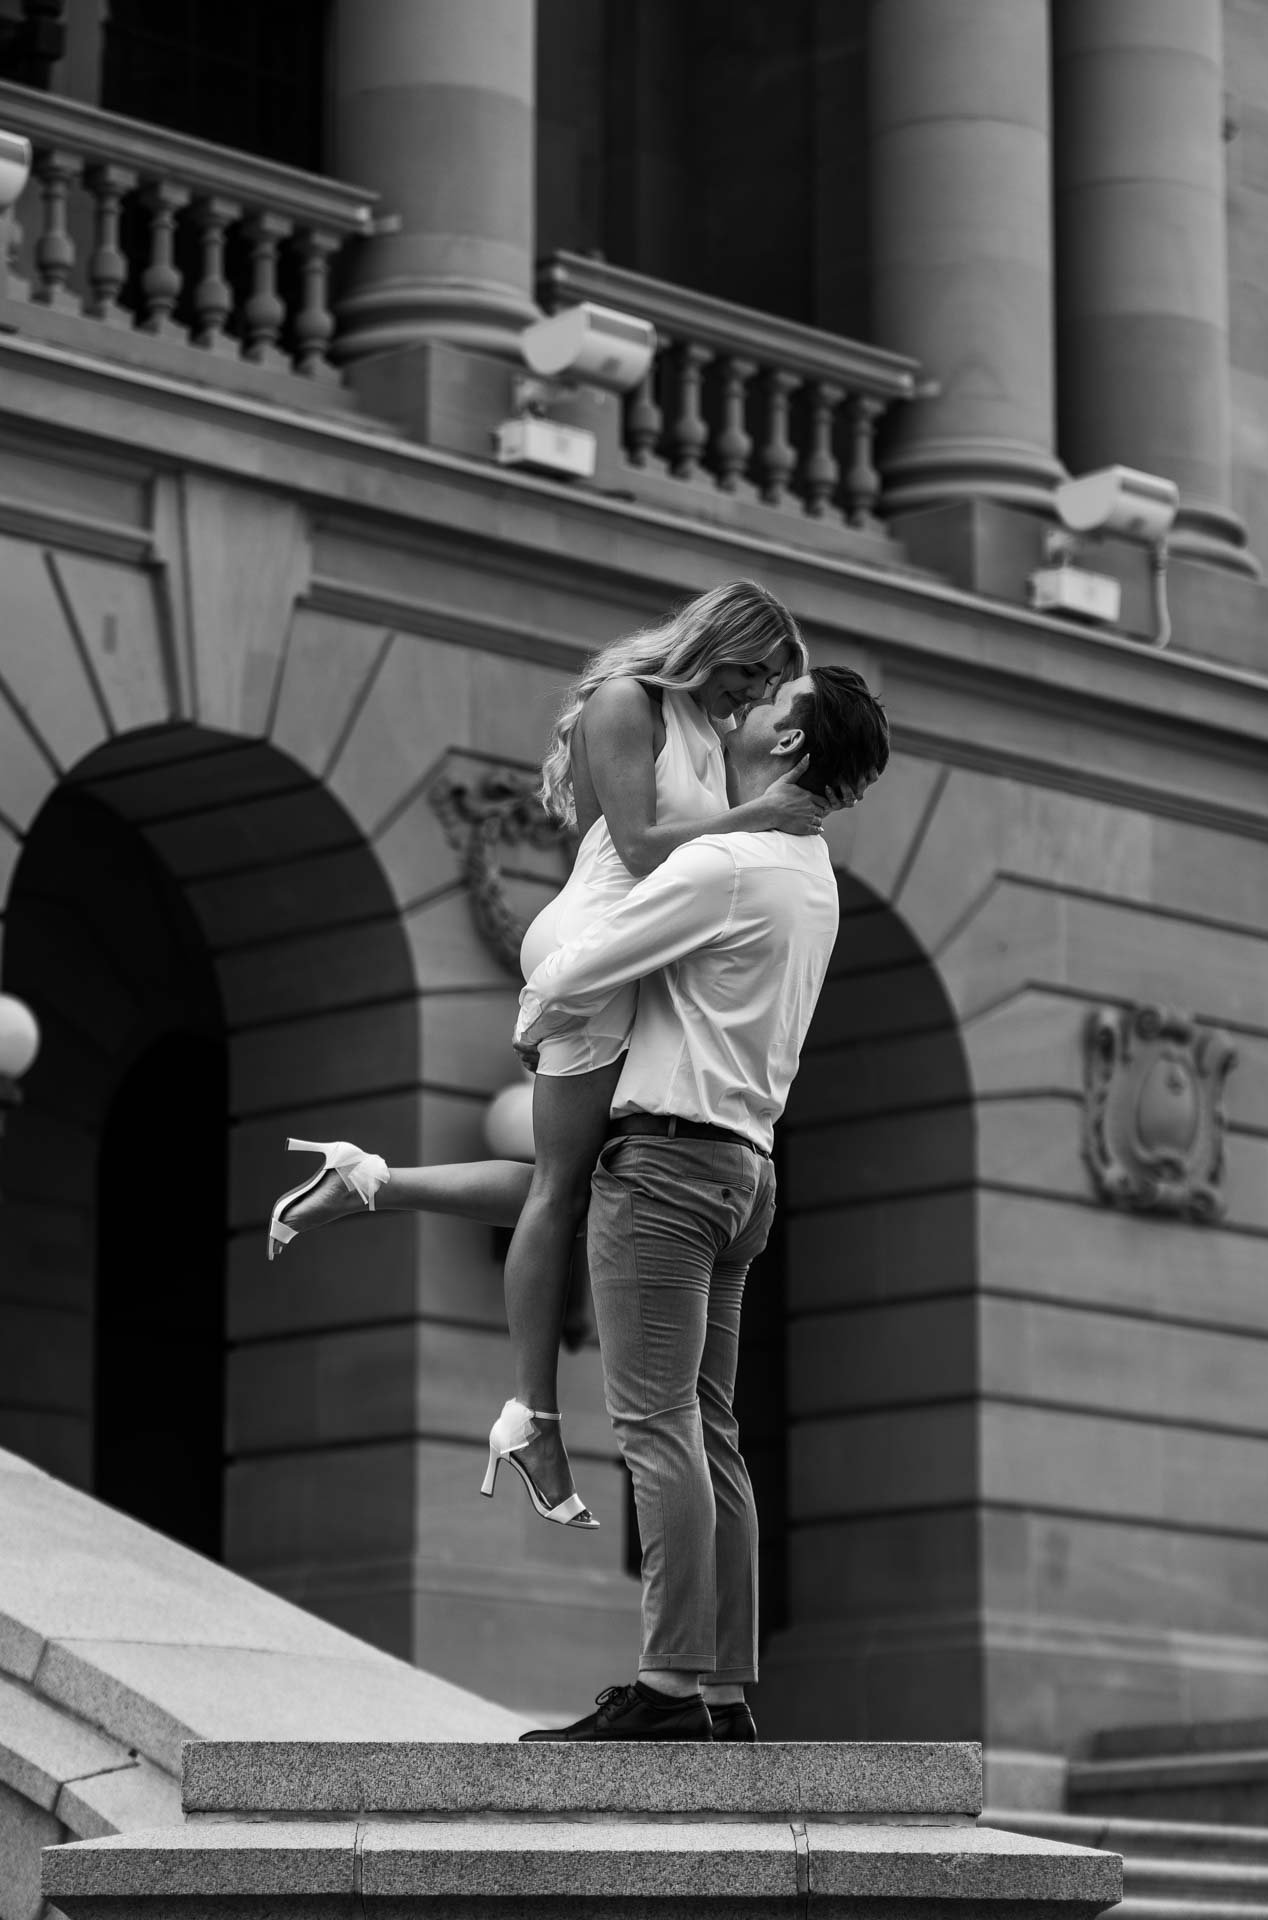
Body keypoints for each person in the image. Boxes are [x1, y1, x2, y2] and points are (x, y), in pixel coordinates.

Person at [266, 581, 833, 1529]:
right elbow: (643, 850)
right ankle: (530, 1415)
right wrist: (758, 817)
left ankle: (366, 1182)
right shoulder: (626, 702)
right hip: (594, 954)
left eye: (767, 686)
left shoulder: (704, 726)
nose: (750, 695)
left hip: (627, 958)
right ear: (714, 644)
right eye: (749, 673)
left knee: (584, 1187)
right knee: (565, 1191)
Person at [511, 663, 889, 1741]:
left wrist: (537, 1020)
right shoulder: (810, 875)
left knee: (655, 1425)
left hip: (668, 1168)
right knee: (709, 1431)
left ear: (788, 745)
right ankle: (721, 1690)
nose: (743, 707)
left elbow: (577, 972)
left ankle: (668, 1686)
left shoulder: (725, 863)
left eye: (769, 701)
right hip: (744, 1172)